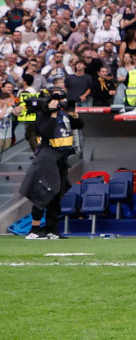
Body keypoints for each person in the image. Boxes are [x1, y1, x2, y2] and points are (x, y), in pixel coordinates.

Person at [21, 91, 77, 239]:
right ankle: (34, 229)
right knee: (44, 191)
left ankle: (52, 229)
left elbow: (78, 125)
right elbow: (46, 132)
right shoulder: (42, 116)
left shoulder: (63, 115)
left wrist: (74, 114)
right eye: (56, 100)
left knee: (57, 194)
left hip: (61, 158)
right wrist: (51, 113)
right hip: (47, 158)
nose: (59, 103)